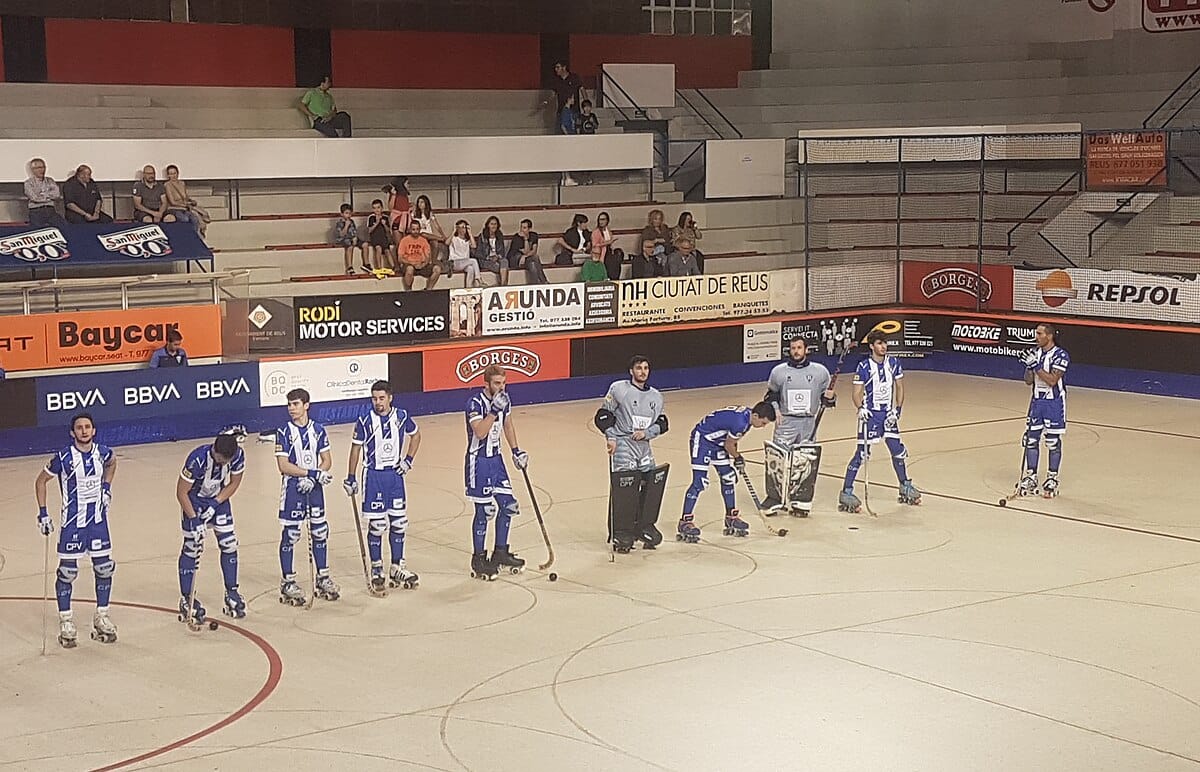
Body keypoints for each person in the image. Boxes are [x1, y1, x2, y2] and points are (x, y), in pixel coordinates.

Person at [34, 413, 118, 647]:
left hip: (98, 523)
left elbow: (113, 463)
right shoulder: (63, 457)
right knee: (67, 573)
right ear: (72, 433)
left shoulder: (104, 452)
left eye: (87, 427)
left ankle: (102, 616)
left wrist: (107, 488)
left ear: (94, 430)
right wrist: (43, 513)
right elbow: (40, 481)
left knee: (104, 569)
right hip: (73, 524)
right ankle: (66, 620)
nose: (84, 431)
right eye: (79, 428)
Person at [343, 381, 421, 592]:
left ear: (390, 398)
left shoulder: (402, 416)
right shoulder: (364, 420)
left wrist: (408, 460)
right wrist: (351, 476)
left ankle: (397, 566)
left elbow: (416, 435)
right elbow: (356, 449)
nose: (377, 402)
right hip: (374, 476)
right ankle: (377, 568)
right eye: (374, 398)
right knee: (377, 525)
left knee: (399, 523)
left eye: (381, 398)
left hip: (395, 476)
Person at [838, 330, 922, 513]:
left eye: (885, 343)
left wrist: (897, 411)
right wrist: (860, 408)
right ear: (871, 346)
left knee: (897, 450)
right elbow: (856, 392)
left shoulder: (893, 363)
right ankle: (846, 491)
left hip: (888, 415)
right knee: (862, 454)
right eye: (879, 343)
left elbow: (900, 387)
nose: (883, 347)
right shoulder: (863, 366)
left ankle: (904, 485)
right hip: (870, 415)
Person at [594, 355, 669, 552]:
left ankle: (644, 525)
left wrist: (648, 433)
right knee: (625, 488)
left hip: (644, 445)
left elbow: (662, 422)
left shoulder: (656, 396)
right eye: (638, 368)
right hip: (623, 444)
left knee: (651, 484)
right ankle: (622, 531)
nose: (643, 371)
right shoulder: (619, 389)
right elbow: (603, 416)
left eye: (646, 368)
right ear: (631, 371)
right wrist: (610, 437)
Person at [275, 389, 340, 606]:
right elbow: (282, 466)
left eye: (295, 404)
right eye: (289, 405)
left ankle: (322, 576)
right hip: (293, 487)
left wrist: (315, 477)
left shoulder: (319, 430)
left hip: (314, 488)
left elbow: (326, 460)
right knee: (291, 534)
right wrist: (310, 473)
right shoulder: (283, 431)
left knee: (320, 532)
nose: (291, 409)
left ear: (306, 405)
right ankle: (287, 581)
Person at [465, 364, 528, 581]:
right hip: (478, 462)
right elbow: (481, 433)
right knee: (484, 512)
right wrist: (493, 410)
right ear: (487, 384)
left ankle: (500, 551)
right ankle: (479, 557)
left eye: (503, 383)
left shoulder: (505, 399)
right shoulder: (474, 403)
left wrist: (516, 451)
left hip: (497, 461)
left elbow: (508, 425)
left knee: (509, 506)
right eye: (497, 384)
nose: (501, 388)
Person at [176, 430, 247, 622]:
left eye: (225, 461)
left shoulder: (238, 455)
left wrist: (216, 503)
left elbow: (234, 483)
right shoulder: (197, 460)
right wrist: (194, 520)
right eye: (218, 459)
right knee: (192, 547)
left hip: (219, 499)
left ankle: (231, 592)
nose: (221, 463)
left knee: (229, 544)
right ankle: (187, 598)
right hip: (194, 501)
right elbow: (181, 492)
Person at [680, 403, 776, 541]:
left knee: (728, 478)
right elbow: (729, 445)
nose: (763, 426)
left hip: (718, 444)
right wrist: (738, 457)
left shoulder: (747, 418)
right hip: (702, 441)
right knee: (699, 482)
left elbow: (732, 440)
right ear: (755, 416)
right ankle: (685, 521)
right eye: (763, 422)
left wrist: (736, 457)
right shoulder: (740, 423)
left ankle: (731, 516)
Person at [762, 336, 836, 514]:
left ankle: (801, 501)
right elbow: (770, 395)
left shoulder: (820, 372)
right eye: (793, 348)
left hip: (808, 422)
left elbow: (828, 399)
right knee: (778, 458)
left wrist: (831, 398)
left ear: (806, 349)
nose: (796, 351)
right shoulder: (778, 372)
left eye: (799, 348)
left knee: (805, 461)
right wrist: (776, 411)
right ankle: (774, 498)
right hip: (786, 421)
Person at [1018, 322, 1071, 498]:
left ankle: (1052, 477)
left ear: (1049, 336)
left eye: (1040, 334)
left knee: (1052, 441)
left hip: (1054, 403)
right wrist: (1028, 366)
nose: (1037, 336)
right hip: (1036, 402)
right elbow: (1027, 381)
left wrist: (1036, 366)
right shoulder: (1035, 353)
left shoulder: (1061, 355)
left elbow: (1052, 380)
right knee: (1031, 439)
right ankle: (1031, 476)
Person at [397, 218, 442, 290]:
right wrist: (412, 263)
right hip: (409, 264)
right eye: (413, 229)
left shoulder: (423, 241)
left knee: (437, 269)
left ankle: (428, 289)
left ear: (420, 229)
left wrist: (422, 265)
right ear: (410, 230)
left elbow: (428, 258)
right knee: (409, 269)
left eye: (417, 229)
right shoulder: (404, 240)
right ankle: (409, 291)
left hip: (422, 265)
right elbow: (400, 258)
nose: (415, 231)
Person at [24, 158, 67, 228]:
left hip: (50, 210)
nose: (42, 170)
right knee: (37, 230)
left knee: (63, 226)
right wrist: (49, 196)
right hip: (36, 211)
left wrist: (43, 195)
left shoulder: (50, 181)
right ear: (33, 170)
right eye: (39, 168)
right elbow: (35, 198)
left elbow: (57, 194)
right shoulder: (28, 183)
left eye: (43, 167)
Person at [164, 164, 203, 238]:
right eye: (171, 174)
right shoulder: (167, 185)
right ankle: (186, 238)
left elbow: (186, 197)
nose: (173, 176)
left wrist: (191, 201)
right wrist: (185, 205)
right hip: (174, 209)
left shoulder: (182, 183)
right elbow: (172, 202)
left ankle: (196, 239)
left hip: (184, 208)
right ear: (168, 175)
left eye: (175, 173)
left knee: (194, 219)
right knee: (184, 219)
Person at [413, 195, 449, 274]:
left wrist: (443, 235)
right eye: (418, 202)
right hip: (420, 235)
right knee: (423, 233)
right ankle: (440, 239)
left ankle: (433, 260)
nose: (420, 204)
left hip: (430, 235)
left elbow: (437, 226)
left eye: (422, 202)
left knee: (434, 242)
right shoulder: (414, 213)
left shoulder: (429, 213)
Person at [475, 216, 509, 286]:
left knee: (505, 261)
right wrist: (488, 257)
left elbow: (502, 251)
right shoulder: (482, 236)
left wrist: (498, 256)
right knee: (502, 268)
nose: (494, 226)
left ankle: (502, 285)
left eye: (495, 224)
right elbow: (478, 253)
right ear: (488, 225)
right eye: (492, 224)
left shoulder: (499, 235)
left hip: (497, 258)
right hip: (485, 259)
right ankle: (503, 285)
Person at [335, 203, 368, 274]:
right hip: (344, 239)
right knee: (350, 247)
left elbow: (354, 231)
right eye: (346, 213)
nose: (348, 215)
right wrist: (346, 225)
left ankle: (366, 264)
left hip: (352, 238)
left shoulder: (352, 221)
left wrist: (355, 237)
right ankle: (349, 267)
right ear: (342, 214)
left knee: (365, 244)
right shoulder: (339, 223)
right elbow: (341, 234)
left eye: (350, 213)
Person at [447, 219, 481, 287]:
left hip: (465, 262)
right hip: (455, 262)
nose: (461, 229)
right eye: (459, 227)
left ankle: (468, 287)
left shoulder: (467, 240)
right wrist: (453, 232)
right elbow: (447, 243)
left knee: (471, 268)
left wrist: (470, 233)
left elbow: (474, 246)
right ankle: (479, 280)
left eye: (463, 227)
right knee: (473, 260)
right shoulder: (454, 238)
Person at [558, 95, 581, 187]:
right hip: (568, 137)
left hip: (571, 135)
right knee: (567, 158)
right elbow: (563, 125)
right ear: (568, 99)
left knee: (568, 158)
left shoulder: (570, 111)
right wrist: (567, 136)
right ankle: (566, 177)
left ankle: (565, 178)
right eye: (572, 98)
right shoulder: (565, 111)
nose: (574, 100)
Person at [591, 211, 622, 280]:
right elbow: (595, 245)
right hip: (601, 253)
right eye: (600, 219)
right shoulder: (596, 232)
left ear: (607, 220)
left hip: (609, 251)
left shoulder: (608, 230)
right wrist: (607, 243)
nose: (601, 221)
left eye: (603, 219)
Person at [639, 209, 671, 274]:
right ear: (651, 220)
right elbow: (645, 243)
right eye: (655, 219)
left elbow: (668, 240)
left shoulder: (665, 228)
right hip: (653, 251)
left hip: (665, 250)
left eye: (659, 219)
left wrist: (662, 241)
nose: (658, 221)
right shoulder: (647, 230)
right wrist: (655, 240)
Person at [365, 199, 392, 273]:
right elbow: (370, 230)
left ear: (382, 208)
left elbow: (388, 230)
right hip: (375, 237)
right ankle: (379, 268)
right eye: (374, 208)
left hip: (383, 238)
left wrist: (384, 224)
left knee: (387, 250)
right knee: (378, 248)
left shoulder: (385, 217)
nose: (376, 210)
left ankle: (394, 267)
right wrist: (376, 223)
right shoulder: (371, 217)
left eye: (378, 207)